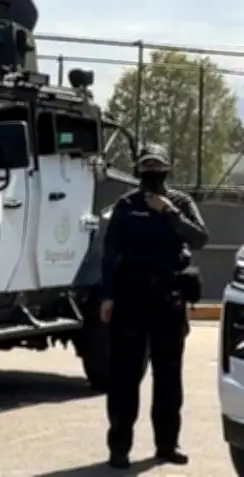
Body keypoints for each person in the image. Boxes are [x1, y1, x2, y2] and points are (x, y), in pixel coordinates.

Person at [100, 143, 209, 470]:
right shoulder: (126, 205)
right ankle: (119, 448)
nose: (151, 171)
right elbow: (109, 253)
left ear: (167, 168)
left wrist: (168, 212)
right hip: (130, 299)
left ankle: (167, 444)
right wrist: (107, 296)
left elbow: (200, 238)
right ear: (138, 169)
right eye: (146, 166)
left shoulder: (180, 202)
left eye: (157, 166)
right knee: (124, 378)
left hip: (168, 300)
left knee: (169, 377)